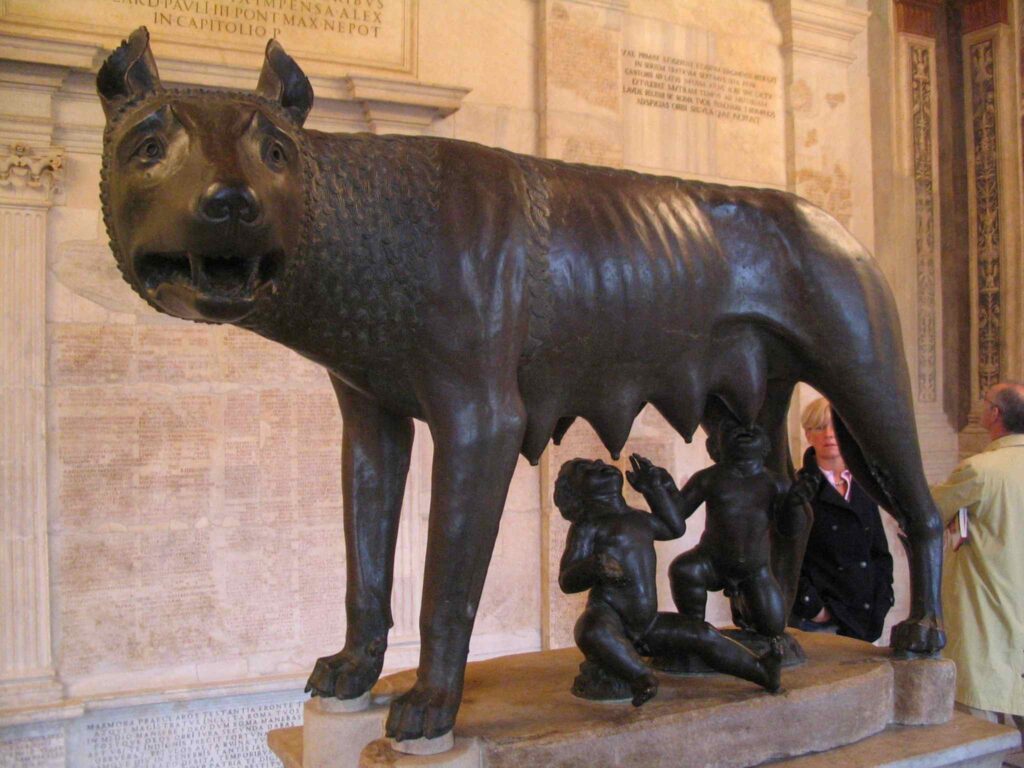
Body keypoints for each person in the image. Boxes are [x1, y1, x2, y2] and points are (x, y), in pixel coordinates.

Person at [555, 457, 784, 706]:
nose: (598, 462)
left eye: (594, 462)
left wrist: (653, 489)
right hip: (610, 614)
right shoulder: (587, 528)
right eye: (584, 469)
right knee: (590, 630)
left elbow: (674, 527)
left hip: (648, 622)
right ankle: (640, 677)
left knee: (703, 633)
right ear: (576, 493)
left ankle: (762, 671)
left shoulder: (638, 518)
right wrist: (593, 566)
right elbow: (567, 580)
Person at [629, 420, 815, 641]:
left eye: (752, 429)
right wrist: (655, 489)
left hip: (755, 569)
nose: (745, 430)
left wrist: (795, 503)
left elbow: (789, 530)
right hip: (711, 562)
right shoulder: (709, 478)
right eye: (732, 429)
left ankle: (746, 614)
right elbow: (677, 516)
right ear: (716, 446)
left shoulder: (775, 482)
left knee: (773, 627)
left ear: (765, 445)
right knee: (685, 569)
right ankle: (695, 631)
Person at [932, 381, 1024, 733]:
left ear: (994, 414)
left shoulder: (980, 470)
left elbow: (929, 513)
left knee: (977, 733)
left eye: (983, 401)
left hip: (987, 619)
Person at [790, 397, 894, 642]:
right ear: (808, 435)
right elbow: (786, 556)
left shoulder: (864, 484)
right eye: (819, 427)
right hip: (822, 622)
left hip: (865, 615)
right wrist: (815, 608)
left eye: (836, 427)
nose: (828, 434)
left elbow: (878, 550)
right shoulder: (797, 488)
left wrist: (883, 597)